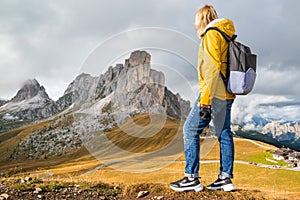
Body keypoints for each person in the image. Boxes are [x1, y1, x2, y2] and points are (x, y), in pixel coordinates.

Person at [170, 5, 236, 192]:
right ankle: (225, 178)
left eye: (196, 21)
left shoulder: (211, 34)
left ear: (203, 19)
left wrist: (205, 100)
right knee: (224, 133)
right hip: (227, 92)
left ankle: (191, 177)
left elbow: (211, 69)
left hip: (213, 93)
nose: (195, 25)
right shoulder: (227, 33)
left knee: (190, 130)